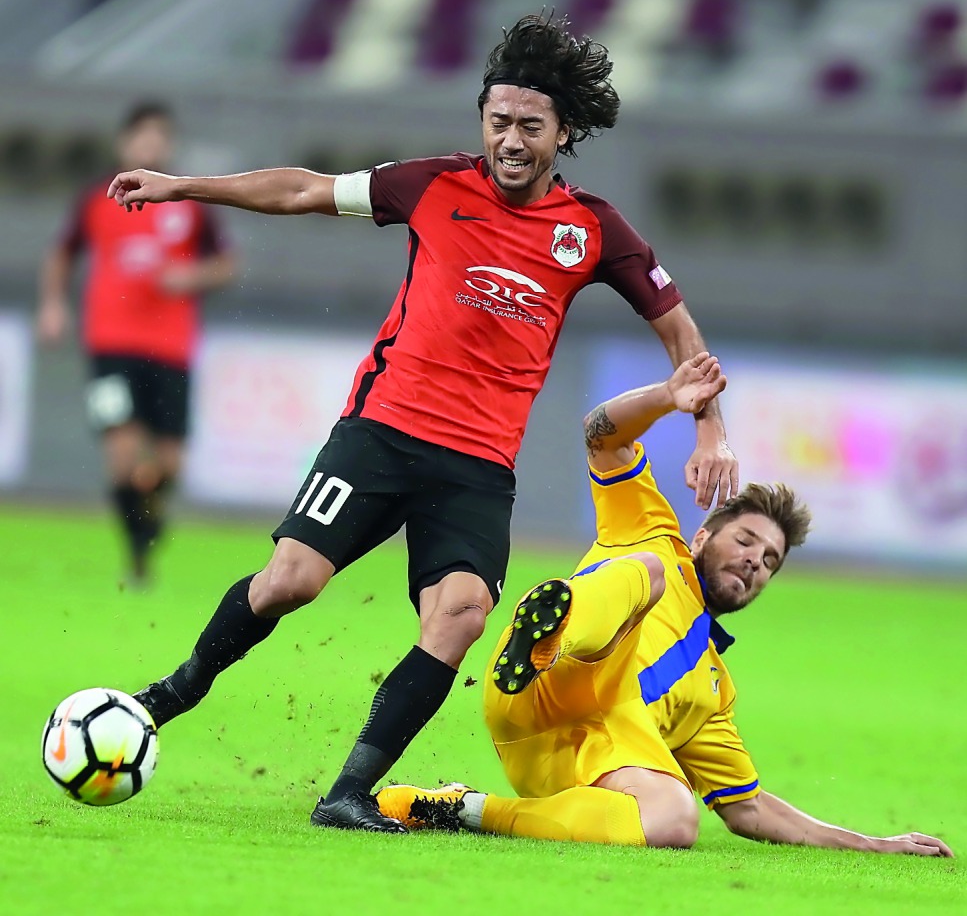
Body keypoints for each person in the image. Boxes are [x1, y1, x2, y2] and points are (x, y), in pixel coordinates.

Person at [106, 14, 739, 833]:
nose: (510, 140)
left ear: (564, 131)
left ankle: (348, 791)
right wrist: (183, 186)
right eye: (498, 121)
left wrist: (711, 429)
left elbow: (683, 340)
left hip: (477, 465)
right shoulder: (432, 184)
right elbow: (303, 189)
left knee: (462, 615)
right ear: (482, 119)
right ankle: (172, 693)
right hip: (381, 432)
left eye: (530, 126)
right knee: (288, 583)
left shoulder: (594, 232)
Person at [377, 354, 953, 858]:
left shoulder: (711, 690)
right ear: (703, 537)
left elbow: (748, 810)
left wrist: (873, 843)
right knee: (649, 570)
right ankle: (551, 631)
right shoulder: (655, 532)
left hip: (562, 763)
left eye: (771, 561)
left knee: (676, 818)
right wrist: (667, 398)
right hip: (537, 681)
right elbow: (601, 434)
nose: (757, 561)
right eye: (746, 541)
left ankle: (457, 809)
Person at [37, 102, 235, 585]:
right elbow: (62, 254)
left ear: (168, 146)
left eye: (158, 137)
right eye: (140, 137)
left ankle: (148, 516)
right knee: (123, 453)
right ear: (124, 144)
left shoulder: (187, 203)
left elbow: (226, 264)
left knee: (168, 464)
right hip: (110, 343)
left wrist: (192, 276)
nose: (149, 146)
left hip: (171, 347)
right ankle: (138, 556)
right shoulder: (96, 198)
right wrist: (53, 304)